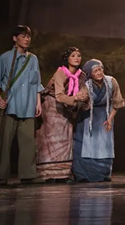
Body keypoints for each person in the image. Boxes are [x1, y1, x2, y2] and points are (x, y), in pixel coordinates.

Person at [0, 25, 44, 185]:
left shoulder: (33, 59)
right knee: (5, 141)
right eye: (23, 36)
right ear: (15, 38)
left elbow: (36, 82)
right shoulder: (4, 58)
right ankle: (2, 175)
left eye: (28, 36)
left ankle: (28, 174)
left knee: (28, 141)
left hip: (28, 105)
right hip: (10, 105)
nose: (26, 39)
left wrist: (38, 103)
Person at [36, 47, 89, 182]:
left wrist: (83, 96)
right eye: (73, 55)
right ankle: (48, 174)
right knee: (51, 140)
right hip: (52, 106)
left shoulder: (81, 75)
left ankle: (63, 173)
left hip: (68, 107)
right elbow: (59, 95)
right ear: (67, 59)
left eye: (78, 55)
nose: (76, 58)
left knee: (66, 138)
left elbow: (84, 90)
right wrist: (76, 98)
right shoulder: (61, 73)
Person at [72, 59, 125, 182]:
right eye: (95, 71)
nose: (99, 72)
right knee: (87, 145)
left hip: (105, 116)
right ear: (90, 74)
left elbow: (117, 102)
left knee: (104, 145)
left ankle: (103, 174)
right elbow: (82, 103)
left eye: (100, 69)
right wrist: (81, 98)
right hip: (88, 118)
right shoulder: (86, 85)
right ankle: (84, 175)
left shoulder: (111, 82)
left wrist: (110, 119)